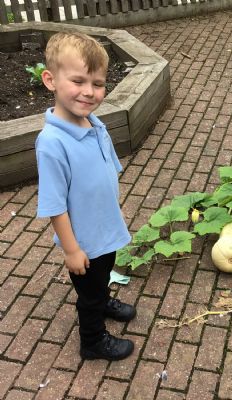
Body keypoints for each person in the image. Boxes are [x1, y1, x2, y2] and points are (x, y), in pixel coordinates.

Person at [35, 31, 135, 361]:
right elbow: (54, 205)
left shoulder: (92, 122)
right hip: (84, 241)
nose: (89, 92)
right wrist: (71, 250)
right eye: (78, 81)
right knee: (88, 293)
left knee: (103, 274)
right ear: (50, 80)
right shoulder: (52, 143)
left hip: (104, 228)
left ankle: (103, 300)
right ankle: (92, 340)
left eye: (98, 83)